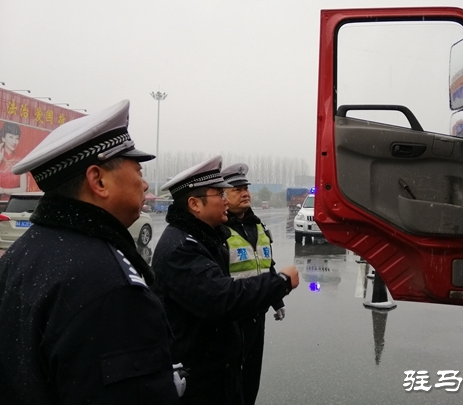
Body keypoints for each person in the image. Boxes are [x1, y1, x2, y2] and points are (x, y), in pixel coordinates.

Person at [0, 100, 181, 404]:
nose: (145, 182)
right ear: (98, 180)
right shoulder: (113, 288)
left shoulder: (25, 251)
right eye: (137, 169)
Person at [151, 156, 299, 405]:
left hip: (237, 333)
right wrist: (280, 283)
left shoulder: (211, 236)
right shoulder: (181, 247)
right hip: (201, 366)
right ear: (194, 204)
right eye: (220, 194)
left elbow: (262, 263)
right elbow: (220, 297)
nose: (225, 200)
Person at [221, 163, 285, 405]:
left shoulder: (257, 225)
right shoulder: (219, 229)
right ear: (223, 194)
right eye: (237, 189)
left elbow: (266, 263)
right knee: (231, 378)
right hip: (232, 315)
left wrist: (275, 298)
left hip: (257, 314)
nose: (245, 192)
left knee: (251, 376)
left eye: (246, 187)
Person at [0, 122, 27, 195]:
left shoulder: (20, 162)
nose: (14, 142)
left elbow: (23, 189)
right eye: (11, 137)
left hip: (13, 203)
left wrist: (3, 190)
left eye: (17, 138)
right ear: (3, 138)